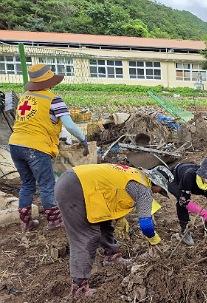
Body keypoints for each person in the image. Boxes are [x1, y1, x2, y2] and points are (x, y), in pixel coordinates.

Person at [55, 164, 173, 297]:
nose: (157, 192)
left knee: (105, 220)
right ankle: (79, 287)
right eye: (160, 190)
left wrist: (120, 217)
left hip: (75, 180)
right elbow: (146, 225)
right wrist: (154, 240)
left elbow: (110, 190)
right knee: (86, 236)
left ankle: (111, 256)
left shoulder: (135, 174)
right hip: (75, 189)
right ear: (156, 182)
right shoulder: (143, 189)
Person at [9, 64, 88, 231]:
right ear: (49, 82)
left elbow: (35, 121)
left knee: (27, 183)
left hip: (15, 144)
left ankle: (25, 222)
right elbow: (71, 126)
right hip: (36, 147)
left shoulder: (25, 97)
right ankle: (54, 220)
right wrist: (83, 139)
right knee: (46, 184)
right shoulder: (53, 99)